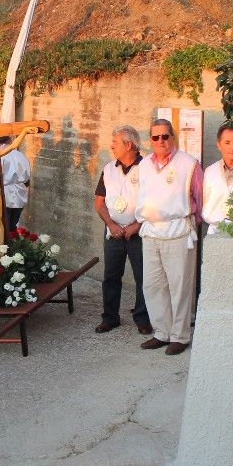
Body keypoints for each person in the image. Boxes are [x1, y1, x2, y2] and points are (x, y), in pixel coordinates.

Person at [134, 118, 203, 356]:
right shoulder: (143, 165)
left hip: (178, 232)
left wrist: (193, 224)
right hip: (151, 232)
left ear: (173, 137)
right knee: (153, 286)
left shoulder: (189, 164)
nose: (161, 141)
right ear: (150, 140)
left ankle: (180, 336)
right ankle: (161, 332)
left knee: (180, 286)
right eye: (156, 137)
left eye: (165, 136)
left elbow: (199, 198)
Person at [94, 125, 151, 336]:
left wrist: (136, 225)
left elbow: (154, 202)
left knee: (143, 278)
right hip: (113, 233)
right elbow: (99, 202)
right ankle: (110, 318)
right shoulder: (108, 169)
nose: (111, 145)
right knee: (110, 276)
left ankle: (143, 318)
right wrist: (111, 224)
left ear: (129, 145)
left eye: (115, 142)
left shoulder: (147, 168)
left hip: (140, 233)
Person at [0, 135, 32, 234]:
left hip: (3, 193)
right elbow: (27, 179)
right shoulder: (20, 155)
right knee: (12, 226)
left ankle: (7, 248)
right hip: (19, 194)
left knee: (4, 228)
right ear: (10, 140)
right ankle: (15, 247)